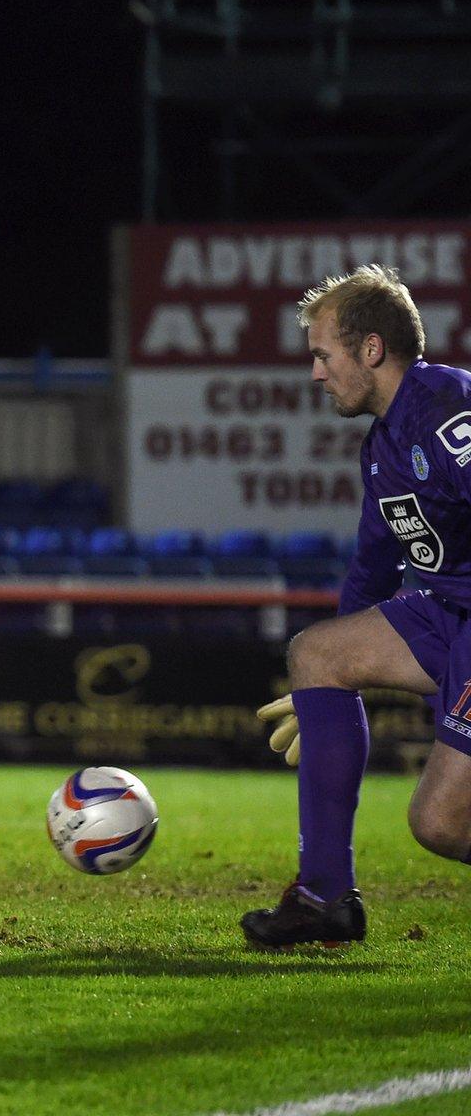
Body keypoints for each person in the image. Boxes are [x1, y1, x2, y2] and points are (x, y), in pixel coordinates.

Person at [246, 263, 471, 948]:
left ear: (370, 349)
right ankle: (323, 898)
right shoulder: (382, 449)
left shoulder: (445, 407)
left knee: (440, 825)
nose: (316, 373)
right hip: (446, 614)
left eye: (323, 353)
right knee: (317, 652)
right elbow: (372, 568)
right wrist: (320, 700)